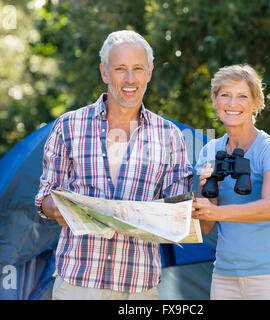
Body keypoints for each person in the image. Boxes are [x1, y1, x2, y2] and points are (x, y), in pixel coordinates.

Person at [34, 30, 193, 300]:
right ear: (105, 73)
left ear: (150, 73)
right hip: (78, 283)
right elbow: (44, 199)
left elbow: (180, 212)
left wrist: (191, 202)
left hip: (139, 288)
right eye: (120, 69)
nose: (130, 79)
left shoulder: (170, 136)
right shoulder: (69, 126)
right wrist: (62, 205)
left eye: (138, 69)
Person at [192, 64, 270, 300]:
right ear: (215, 100)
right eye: (225, 95)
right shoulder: (210, 150)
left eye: (242, 96)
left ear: (256, 103)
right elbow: (206, 226)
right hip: (225, 277)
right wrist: (209, 192)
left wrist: (215, 212)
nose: (233, 104)